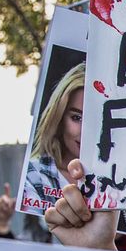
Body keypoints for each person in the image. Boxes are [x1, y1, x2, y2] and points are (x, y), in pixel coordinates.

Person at [22, 64, 83, 211]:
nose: (85, 131)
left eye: (98, 118)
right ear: (59, 117)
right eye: (77, 117)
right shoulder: (34, 176)